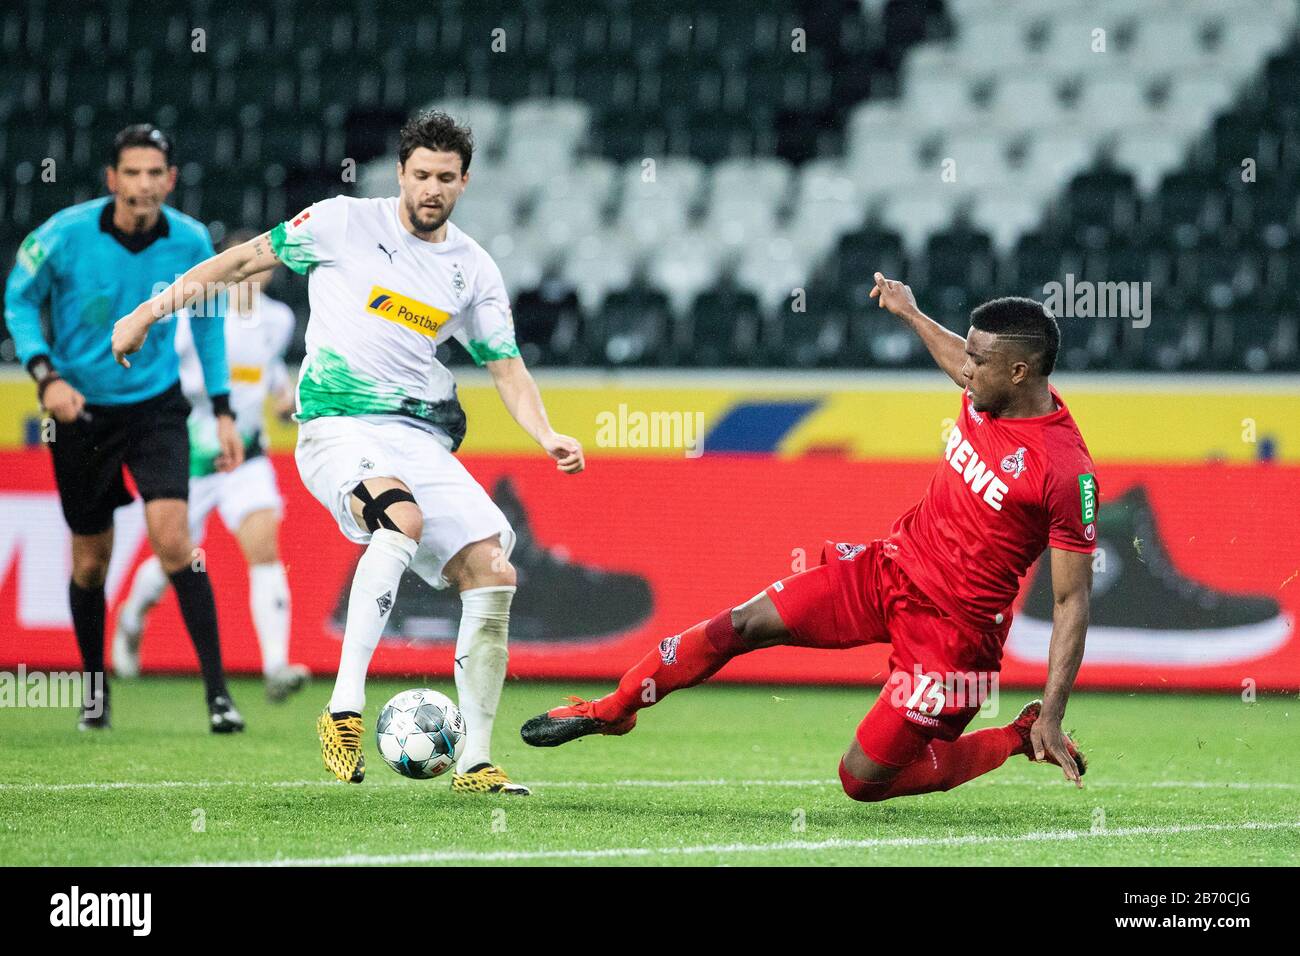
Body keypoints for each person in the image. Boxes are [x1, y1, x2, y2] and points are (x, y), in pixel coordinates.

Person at [111, 110, 585, 794]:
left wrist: (546, 435)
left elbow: (506, 366)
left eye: (446, 179)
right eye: (420, 175)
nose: (431, 189)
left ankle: (475, 763)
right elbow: (244, 260)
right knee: (401, 519)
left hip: (417, 435)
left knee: (493, 569)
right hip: (336, 426)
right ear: (399, 174)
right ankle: (343, 710)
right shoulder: (339, 221)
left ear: (464, 181)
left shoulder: (472, 270)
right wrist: (147, 313)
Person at [522, 274, 1099, 803]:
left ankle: (1017, 737)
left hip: (953, 639)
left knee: (862, 781)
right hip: (887, 570)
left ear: (1020, 372)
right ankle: (615, 708)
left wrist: (1052, 712)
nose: (965, 370)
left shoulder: (1064, 470)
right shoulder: (985, 388)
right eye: (967, 357)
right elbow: (958, 356)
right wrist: (911, 312)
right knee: (742, 624)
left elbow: (1071, 600)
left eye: (978, 361)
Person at [4, 124, 244, 733]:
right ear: (112, 180)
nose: (143, 184)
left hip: (156, 408)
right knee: (91, 562)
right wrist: (44, 375)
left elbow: (209, 326)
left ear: (170, 180)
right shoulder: (62, 236)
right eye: (131, 173)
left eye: (154, 173)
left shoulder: (192, 241)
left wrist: (222, 409)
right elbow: (18, 301)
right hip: (80, 413)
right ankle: (94, 693)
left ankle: (219, 696)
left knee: (174, 541)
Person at [113, 231, 310, 702]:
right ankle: (130, 618)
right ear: (228, 264)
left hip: (245, 455)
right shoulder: (193, 316)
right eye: (250, 265)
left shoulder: (278, 320)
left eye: (267, 268)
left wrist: (286, 400)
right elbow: (163, 372)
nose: (257, 275)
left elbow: (269, 369)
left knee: (263, 545)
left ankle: (276, 665)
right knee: (174, 557)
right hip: (189, 455)